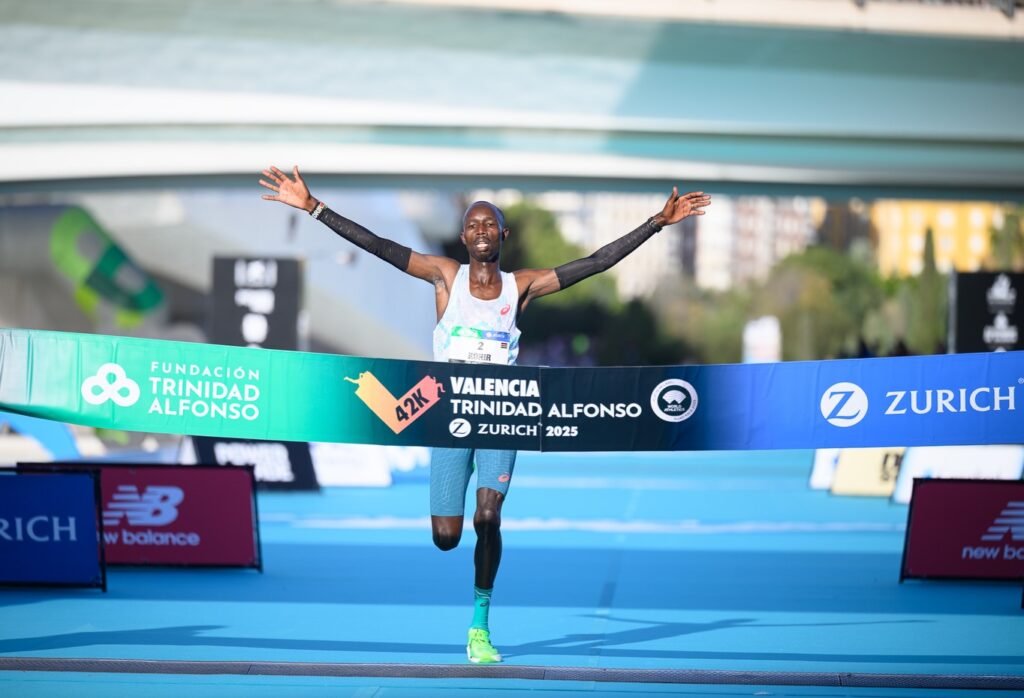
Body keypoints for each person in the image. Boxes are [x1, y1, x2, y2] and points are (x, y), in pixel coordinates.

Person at [259, 166, 710, 663]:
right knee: (447, 538)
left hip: (502, 418)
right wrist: (314, 207)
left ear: (503, 235)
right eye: (472, 225)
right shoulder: (443, 277)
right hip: (448, 421)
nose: (480, 231)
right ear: (463, 236)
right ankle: (462, 556)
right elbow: (380, 246)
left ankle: (480, 625)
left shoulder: (523, 287)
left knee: (488, 518)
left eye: (489, 224)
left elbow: (596, 262)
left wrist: (656, 222)